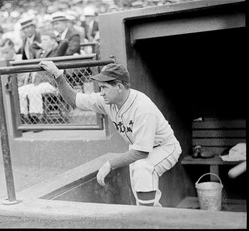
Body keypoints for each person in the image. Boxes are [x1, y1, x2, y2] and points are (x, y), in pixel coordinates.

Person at [39, 61, 182, 207]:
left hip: (165, 147)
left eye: (104, 87)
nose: (101, 92)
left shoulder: (143, 108)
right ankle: (152, 218)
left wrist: (110, 164)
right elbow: (74, 99)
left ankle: (146, 221)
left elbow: (141, 153)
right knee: (142, 197)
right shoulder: (106, 101)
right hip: (139, 147)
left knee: (143, 168)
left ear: (119, 87)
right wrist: (57, 74)